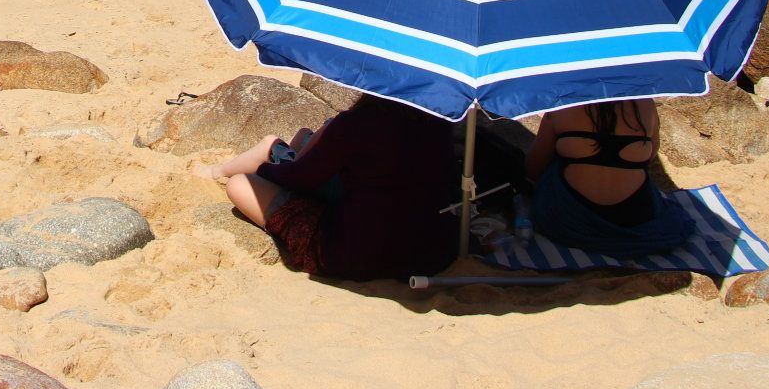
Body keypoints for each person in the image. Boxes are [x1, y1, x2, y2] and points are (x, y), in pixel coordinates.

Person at [195, 93, 458, 281]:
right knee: (302, 138)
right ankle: (250, 158)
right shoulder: (441, 123)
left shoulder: (357, 124)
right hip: (427, 255)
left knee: (241, 184)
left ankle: (225, 168)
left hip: (353, 255)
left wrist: (264, 167)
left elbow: (302, 179)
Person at [523, 98, 690, 257]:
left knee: (557, 162)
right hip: (637, 217)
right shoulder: (645, 105)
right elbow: (649, 156)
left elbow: (533, 169)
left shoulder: (561, 108)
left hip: (571, 220)